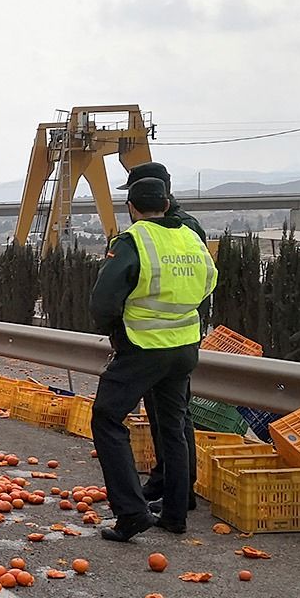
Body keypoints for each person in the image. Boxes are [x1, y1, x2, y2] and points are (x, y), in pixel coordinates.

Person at [89, 178, 217, 541]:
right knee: (173, 427)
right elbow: (209, 282)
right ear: (167, 202)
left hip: (143, 347)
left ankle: (131, 512)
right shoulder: (190, 236)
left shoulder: (134, 240)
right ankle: (176, 513)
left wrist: (120, 330)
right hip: (184, 346)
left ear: (131, 207)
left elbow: (103, 301)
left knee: (107, 417)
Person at [118, 162, 208, 513]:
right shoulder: (186, 225)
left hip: (167, 337)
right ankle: (168, 483)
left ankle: (178, 491)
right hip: (174, 334)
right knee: (166, 416)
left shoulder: (178, 228)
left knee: (173, 418)